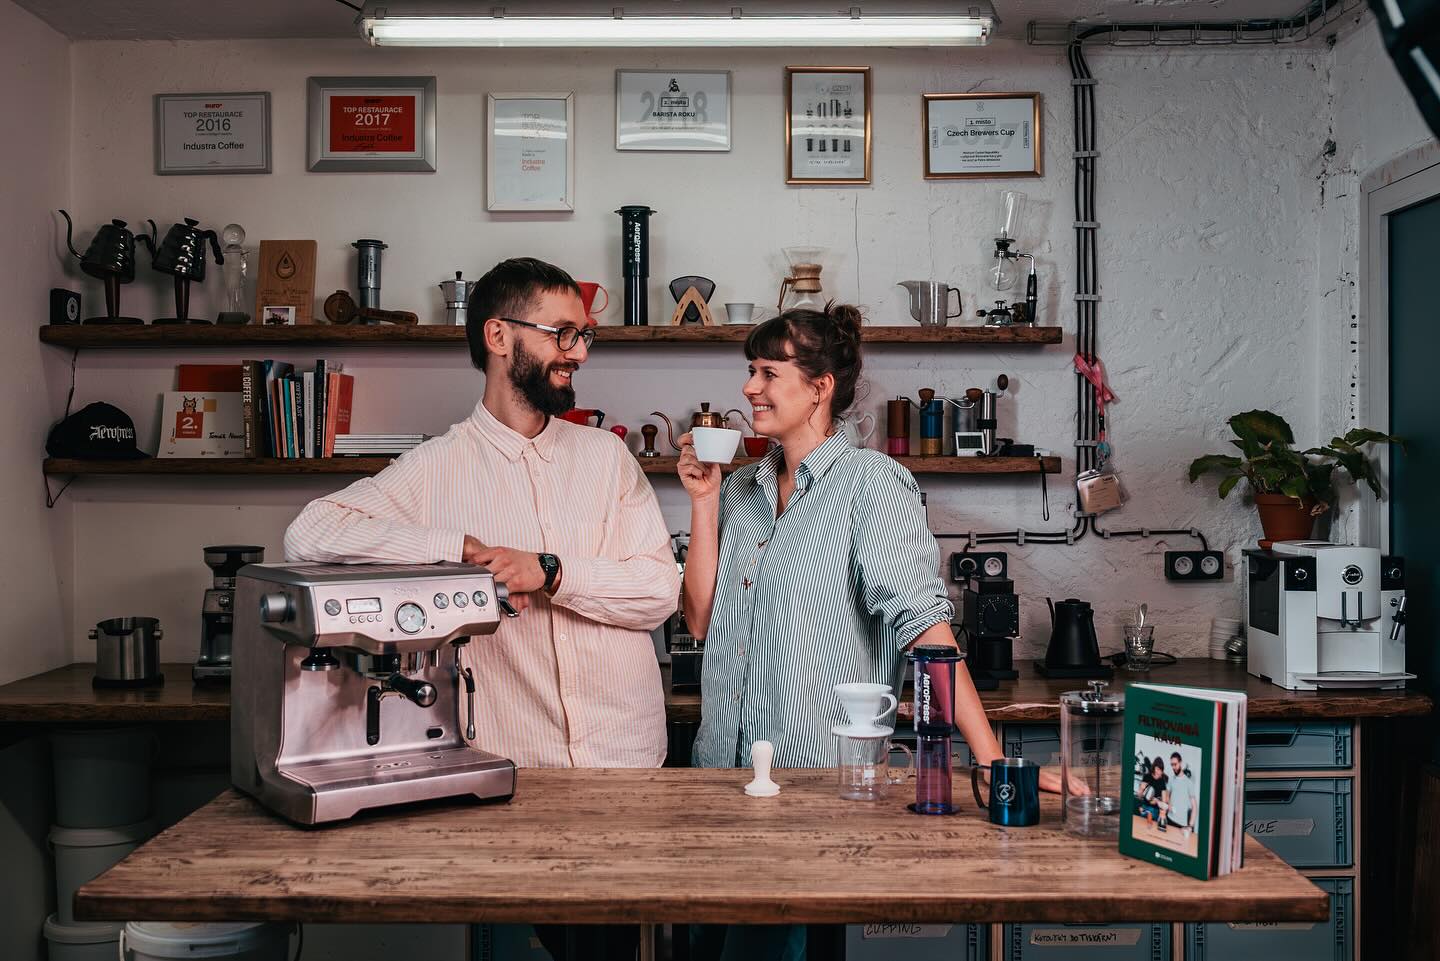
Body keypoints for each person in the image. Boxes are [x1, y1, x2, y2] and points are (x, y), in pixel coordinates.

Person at [284, 256, 679, 961]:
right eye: (563, 334)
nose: (579, 352)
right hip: (514, 776)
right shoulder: (436, 468)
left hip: (627, 776)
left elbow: (657, 591)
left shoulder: (606, 459)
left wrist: (551, 570)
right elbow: (310, 531)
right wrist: (456, 549)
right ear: (499, 335)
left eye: (584, 335)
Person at [675, 303, 1059, 961]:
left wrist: (991, 758)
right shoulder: (739, 488)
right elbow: (700, 618)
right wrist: (704, 501)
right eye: (749, 370)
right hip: (721, 783)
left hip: (816, 794)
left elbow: (924, 628)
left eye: (768, 372)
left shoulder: (873, 486)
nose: (749, 387)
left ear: (819, 387)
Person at [1166, 752, 1196, 839]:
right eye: (1171, 765)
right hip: (1169, 819)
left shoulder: (1188, 783)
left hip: (1181, 825)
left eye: (1175, 764)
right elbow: (1167, 795)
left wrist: (1190, 826)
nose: (1173, 767)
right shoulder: (1171, 779)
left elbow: (1194, 806)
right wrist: (1169, 804)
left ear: (1180, 762)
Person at [1136, 757, 1168, 831]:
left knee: (1154, 831)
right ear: (1154, 768)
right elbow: (1139, 795)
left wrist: (1158, 801)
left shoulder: (1162, 782)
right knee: (1143, 830)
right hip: (1145, 808)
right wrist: (1141, 789)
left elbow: (1164, 802)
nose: (1159, 772)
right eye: (1157, 769)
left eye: (1161, 770)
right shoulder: (1147, 777)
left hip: (1156, 811)